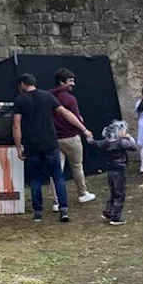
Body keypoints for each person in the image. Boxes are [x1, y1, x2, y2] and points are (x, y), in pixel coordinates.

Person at [12, 73, 94, 223]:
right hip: (50, 142)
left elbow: (16, 125)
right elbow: (65, 113)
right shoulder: (47, 97)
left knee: (36, 179)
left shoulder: (20, 100)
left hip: (32, 144)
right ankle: (63, 210)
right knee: (58, 176)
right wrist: (83, 129)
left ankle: (38, 212)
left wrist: (18, 147)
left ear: (23, 84)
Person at [50, 68, 97, 207]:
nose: (73, 84)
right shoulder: (69, 99)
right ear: (61, 82)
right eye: (70, 81)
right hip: (70, 138)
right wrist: (84, 129)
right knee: (77, 166)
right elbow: (74, 118)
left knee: (57, 170)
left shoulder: (49, 97)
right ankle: (82, 193)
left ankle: (57, 201)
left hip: (55, 139)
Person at [98, 120, 138, 225]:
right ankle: (116, 216)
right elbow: (134, 147)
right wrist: (128, 137)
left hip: (110, 169)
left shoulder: (107, 142)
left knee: (113, 192)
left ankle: (108, 211)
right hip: (119, 169)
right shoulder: (121, 142)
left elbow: (95, 143)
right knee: (120, 193)